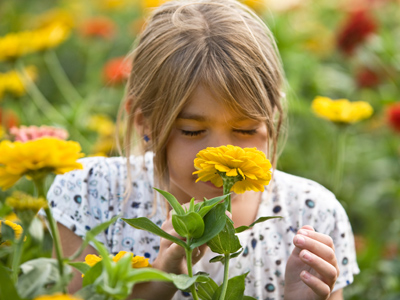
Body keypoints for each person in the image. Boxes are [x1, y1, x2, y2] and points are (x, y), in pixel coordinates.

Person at [47, 0, 360, 299]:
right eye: (192, 131)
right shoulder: (91, 192)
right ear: (145, 123)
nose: (223, 155)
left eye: (246, 129)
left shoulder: (311, 212)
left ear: (273, 118)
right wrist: (161, 282)